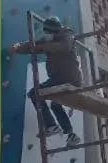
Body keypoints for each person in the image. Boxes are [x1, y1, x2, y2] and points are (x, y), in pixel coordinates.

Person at [9, 17, 82, 147]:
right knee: (55, 104)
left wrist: (44, 46)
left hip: (69, 78)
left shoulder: (67, 35)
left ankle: (51, 125)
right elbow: (34, 45)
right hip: (59, 78)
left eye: (48, 33)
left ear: (54, 31)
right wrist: (19, 47)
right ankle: (70, 134)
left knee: (34, 93)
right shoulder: (50, 39)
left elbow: (64, 47)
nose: (46, 36)